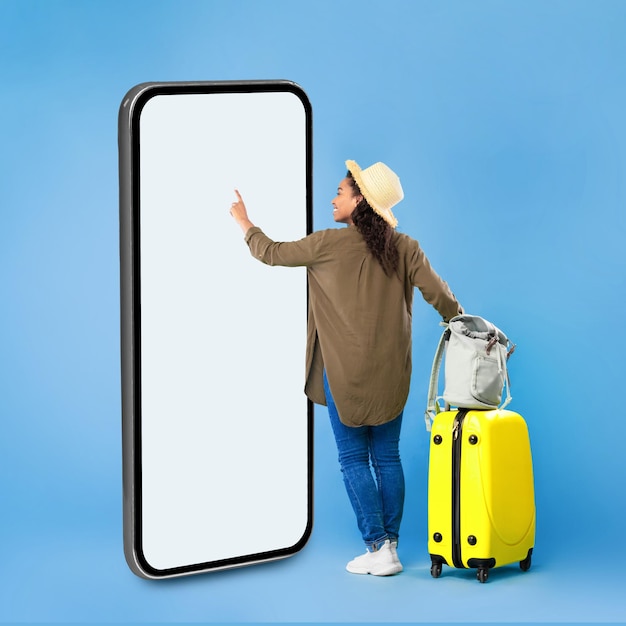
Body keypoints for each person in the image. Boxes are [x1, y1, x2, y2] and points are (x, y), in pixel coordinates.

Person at [229, 160, 463, 576]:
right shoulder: (405, 247)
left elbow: (271, 253)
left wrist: (245, 222)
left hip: (343, 373)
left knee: (354, 457)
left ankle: (377, 548)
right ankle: (388, 546)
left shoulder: (326, 245)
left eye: (340, 192)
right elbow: (440, 296)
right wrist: (461, 323)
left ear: (359, 201)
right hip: (392, 374)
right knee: (387, 457)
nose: (333, 198)